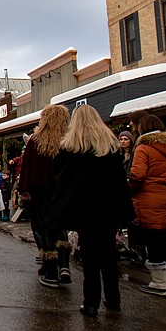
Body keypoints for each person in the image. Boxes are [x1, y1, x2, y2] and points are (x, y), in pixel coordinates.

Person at [50, 105, 132, 316]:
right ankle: (113, 300)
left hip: (85, 209)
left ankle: (91, 302)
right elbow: (119, 181)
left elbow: (60, 180)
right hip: (109, 208)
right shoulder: (111, 147)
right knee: (109, 255)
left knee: (90, 256)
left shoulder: (71, 148)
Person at [128, 114, 166, 298]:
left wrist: (130, 189)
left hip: (149, 200)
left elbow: (137, 175)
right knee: (165, 241)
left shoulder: (143, 148)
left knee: (153, 240)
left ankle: (158, 282)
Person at [20, 105, 70, 288]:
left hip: (41, 193)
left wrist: (24, 189)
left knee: (44, 228)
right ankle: (64, 265)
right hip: (63, 193)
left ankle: (50, 270)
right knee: (61, 229)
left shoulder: (36, 140)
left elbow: (27, 167)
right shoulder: (69, 140)